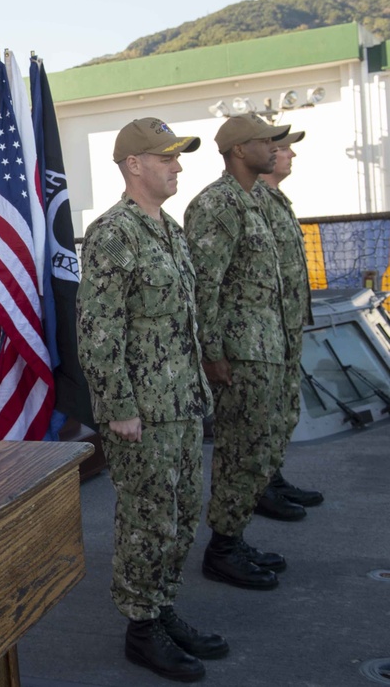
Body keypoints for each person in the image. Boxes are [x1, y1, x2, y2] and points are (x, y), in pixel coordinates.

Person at [78, 118, 226, 682]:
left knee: (182, 513)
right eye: (166, 158)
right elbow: (99, 330)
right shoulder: (115, 233)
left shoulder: (166, 228)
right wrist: (119, 408)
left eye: (178, 157)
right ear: (134, 165)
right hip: (143, 410)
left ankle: (163, 610)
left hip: (181, 402)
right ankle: (142, 629)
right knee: (148, 520)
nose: (178, 165)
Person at [183, 113, 289, 592]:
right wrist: (212, 354)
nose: (272, 146)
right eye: (262, 140)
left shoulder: (255, 200)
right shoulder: (216, 205)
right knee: (239, 450)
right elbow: (205, 287)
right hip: (240, 352)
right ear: (238, 151)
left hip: (266, 345)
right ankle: (222, 549)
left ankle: (235, 535)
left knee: (257, 448)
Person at [251, 131, 325, 520]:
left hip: (286, 329)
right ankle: (260, 486)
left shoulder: (276, 200)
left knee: (282, 412)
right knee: (264, 417)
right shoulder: (255, 203)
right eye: (282, 148)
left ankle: (272, 478)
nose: (291, 153)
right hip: (265, 335)